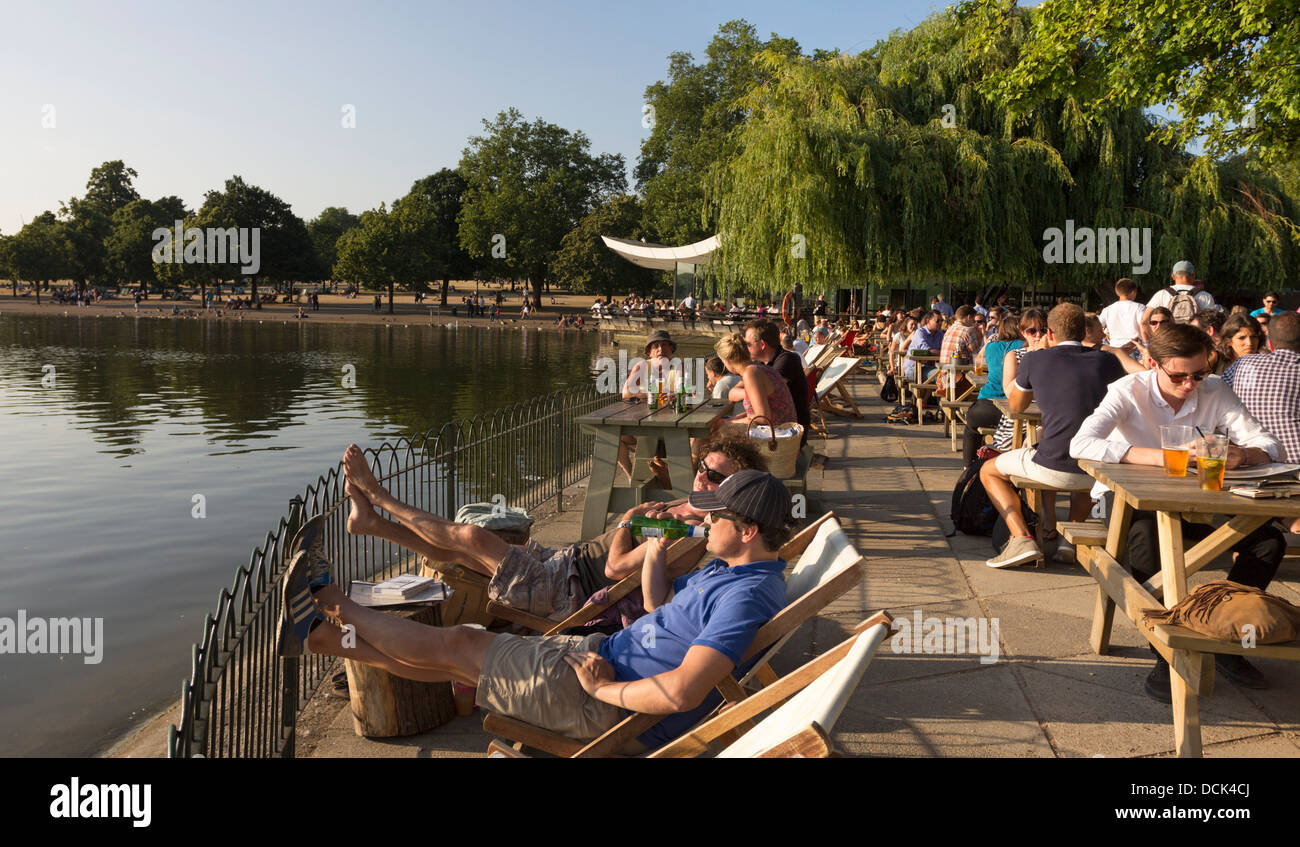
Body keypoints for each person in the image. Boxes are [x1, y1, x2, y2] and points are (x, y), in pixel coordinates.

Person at [285, 462, 793, 749]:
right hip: (602, 652)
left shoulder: (744, 598)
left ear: (747, 531)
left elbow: (682, 694)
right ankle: (322, 637)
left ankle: (329, 602)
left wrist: (606, 688)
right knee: (452, 658)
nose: (704, 525)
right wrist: (655, 554)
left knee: (459, 644)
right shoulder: (734, 571)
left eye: (715, 519)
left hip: (602, 700)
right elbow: (660, 608)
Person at [1070, 324, 1285, 699]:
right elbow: (1081, 443)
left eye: (1199, 374)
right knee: (1147, 542)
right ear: (1151, 363)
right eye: (1179, 376)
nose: (1190, 385)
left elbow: (1267, 442)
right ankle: (1166, 653)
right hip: (1124, 500)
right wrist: (1161, 457)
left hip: (1196, 499)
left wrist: (1246, 454)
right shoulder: (1128, 390)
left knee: (1267, 542)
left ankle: (1228, 636)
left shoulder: (1214, 389)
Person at [983, 304, 1128, 568]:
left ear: (1049, 333)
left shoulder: (1034, 359)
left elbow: (1016, 407)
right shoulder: (1107, 361)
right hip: (1098, 469)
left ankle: (1021, 538)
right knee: (1085, 453)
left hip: (1053, 464)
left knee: (988, 471)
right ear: (1085, 331)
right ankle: (1069, 539)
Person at [1224, 312, 1300, 463]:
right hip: (1294, 461)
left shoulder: (1243, 363)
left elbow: (1216, 392)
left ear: (1269, 342)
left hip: (1251, 461)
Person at [963, 313, 1024, 466]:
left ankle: (967, 467)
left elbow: (978, 359)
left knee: (971, 426)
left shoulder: (991, 346)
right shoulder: (1023, 346)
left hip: (985, 406)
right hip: (1009, 408)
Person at [713, 333, 798, 432]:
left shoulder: (751, 373)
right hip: (785, 430)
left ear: (727, 361)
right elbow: (756, 413)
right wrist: (731, 420)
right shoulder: (761, 369)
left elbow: (763, 417)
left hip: (777, 436)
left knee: (704, 436)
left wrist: (727, 423)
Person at [743, 319, 811, 443]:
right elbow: (733, 393)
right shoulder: (759, 364)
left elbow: (764, 392)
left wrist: (753, 392)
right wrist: (753, 392)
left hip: (790, 435)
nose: (746, 348)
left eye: (748, 344)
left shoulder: (788, 360)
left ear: (762, 344)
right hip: (775, 430)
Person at [1139, 261, 1218, 340]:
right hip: (1195, 343)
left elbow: (1144, 322)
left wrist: (1149, 344)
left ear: (1173, 276)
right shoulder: (1205, 296)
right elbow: (1212, 323)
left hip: (1168, 343)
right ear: (1193, 275)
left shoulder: (1161, 294)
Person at [938, 305, 981, 396]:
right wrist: (980, 334)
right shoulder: (968, 330)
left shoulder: (949, 330)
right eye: (974, 320)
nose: (974, 323)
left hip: (943, 379)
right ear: (969, 317)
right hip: (958, 381)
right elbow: (978, 355)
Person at [1098, 278, 1145, 353]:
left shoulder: (1107, 310)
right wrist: (1146, 343)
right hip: (1134, 348)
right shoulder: (1139, 307)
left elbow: (1098, 326)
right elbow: (1144, 325)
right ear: (1133, 292)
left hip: (1114, 349)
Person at [903, 310, 944, 382]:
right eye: (937, 321)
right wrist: (944, 353)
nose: (940, 323)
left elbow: (943, 349)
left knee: (951, 374)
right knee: (943, 376)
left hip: (931, 366)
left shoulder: (940, 334)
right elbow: (927, 351)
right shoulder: (920, 332)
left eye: (941, 321)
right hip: (914, 368)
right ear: (928, 321)